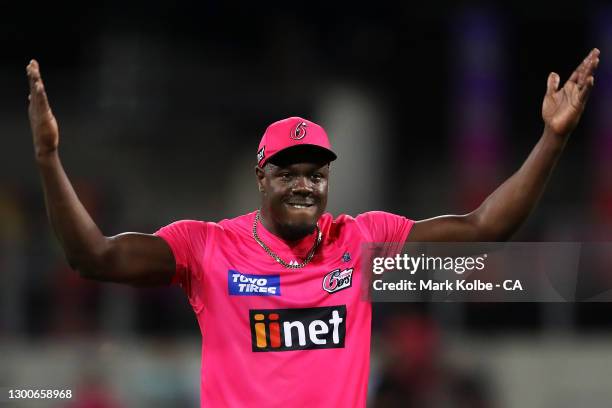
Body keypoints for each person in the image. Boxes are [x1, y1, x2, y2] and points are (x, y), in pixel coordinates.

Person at [26, 48, 599, 407]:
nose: (305, 185)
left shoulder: (363, 241)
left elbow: (483, 229)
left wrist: (552, 139)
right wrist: (50, 158)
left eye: (316, 173)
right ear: (260, 176)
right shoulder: (206, 247)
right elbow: (92, 258)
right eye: (289, 172)